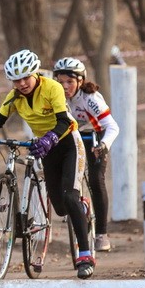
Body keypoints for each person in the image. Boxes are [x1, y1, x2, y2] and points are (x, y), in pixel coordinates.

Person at [0, 49, 95, 279]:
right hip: (46, 148)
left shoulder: (52, 88)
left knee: (71, 196)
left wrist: (50, 138)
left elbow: (63, 121)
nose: (21, 83)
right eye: (16, 80)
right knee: (60, 208)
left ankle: (85, 255)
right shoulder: (14, 96)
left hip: (68, 142)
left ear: (35, 74)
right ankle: (76, 210)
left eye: (25, 77)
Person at [53, 57, 120, 252]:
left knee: (95, 180)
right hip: (70, 136)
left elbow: (112, 127)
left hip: (94, 137)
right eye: (60, 81)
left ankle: (101, 234)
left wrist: (104, 145)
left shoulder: (90, 98)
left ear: (80, 82)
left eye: (70, 82)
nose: (64, 86)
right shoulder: (54, 96)